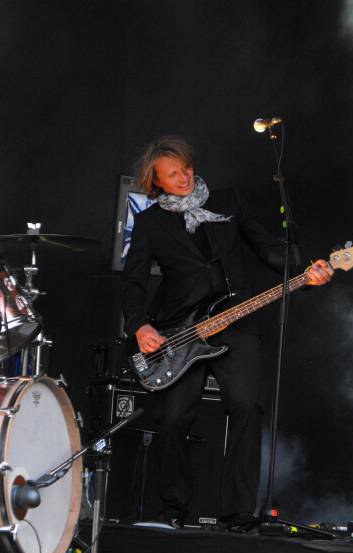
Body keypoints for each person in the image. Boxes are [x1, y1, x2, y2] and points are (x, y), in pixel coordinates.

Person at [121, 135, 333, 529]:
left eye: (186, 168)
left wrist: (304, 271)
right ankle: (172, 510)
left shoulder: (228, 202)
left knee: (246, 409)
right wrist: (139, 325)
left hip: (237, 320)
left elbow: (266, 248)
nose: (183, 177)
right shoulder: (150, 223)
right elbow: (133, 280)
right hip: (181, 330)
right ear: (156, 182)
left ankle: (237, 513)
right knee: (174, 418)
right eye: (172, 174)